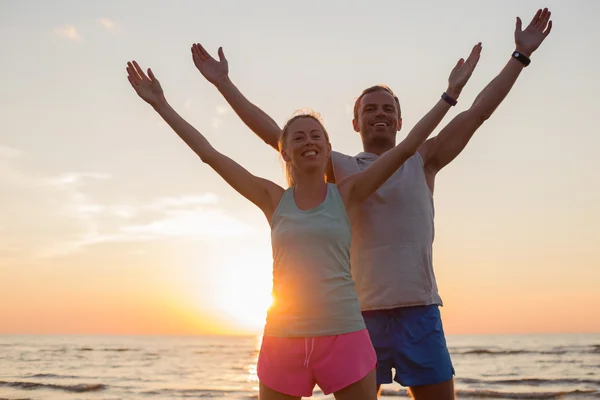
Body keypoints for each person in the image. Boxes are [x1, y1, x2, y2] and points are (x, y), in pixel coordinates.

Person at [190, 7, 552, 400]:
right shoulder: (339, 168)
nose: (380, 114)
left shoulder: (423, 158)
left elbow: (478, 112)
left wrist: (519, 57)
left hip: (419, 309)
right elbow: (276, 136)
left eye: (388, 109)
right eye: (370, 109)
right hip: (357, 318)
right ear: (354, 124)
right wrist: (224, 84)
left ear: (400, 122)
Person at [125, 43, 478, 399]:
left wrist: (450, 95)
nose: (308, 141)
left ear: (328, 148)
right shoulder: (273, 199)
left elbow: (407, 148)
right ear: (285, 150)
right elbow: (209, 154)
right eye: (298, 136)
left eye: (316, 135)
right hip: (284, 335)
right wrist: (163, 104)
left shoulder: (349, 192)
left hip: (347, 333)